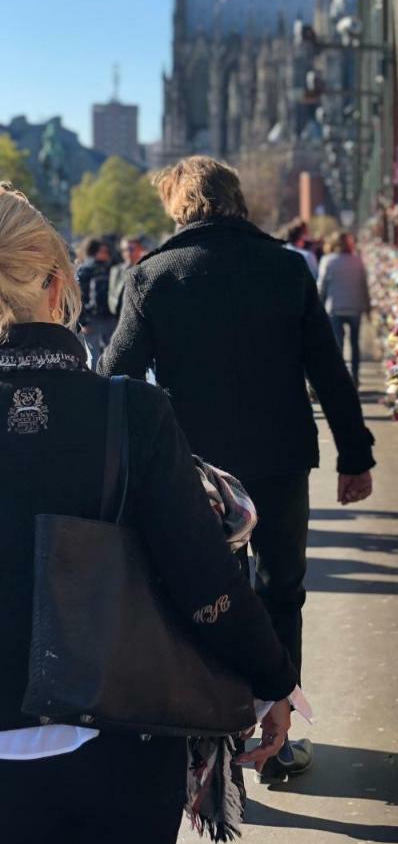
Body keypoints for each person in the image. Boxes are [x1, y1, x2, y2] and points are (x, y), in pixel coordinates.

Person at [0, 182, 297, 844]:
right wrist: (272, 680)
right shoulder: (127, 412)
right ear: (55, 283)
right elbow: (202, 577)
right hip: (114, 745)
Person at [100, 157, 376, 780]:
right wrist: (354, 456)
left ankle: (210, 738)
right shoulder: (285, 267)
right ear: (237, 200)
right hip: (279, 462)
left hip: (192, 473)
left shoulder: (153, 276)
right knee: (281, 593)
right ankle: (278, 743)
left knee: (202, 596)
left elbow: (114, 375)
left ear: (178, 207)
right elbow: (328, 370)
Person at [317, 231, 371, 386]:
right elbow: (364, 286)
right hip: (355, 307)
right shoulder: (357, 260)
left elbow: (322, 286)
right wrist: (367, 307)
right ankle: (355, 377)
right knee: (354, 344)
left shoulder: (328, 261)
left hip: (335, 308)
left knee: (338, 344)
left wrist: (318, 306)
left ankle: (340, 378)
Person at [74, 236, 115, 363]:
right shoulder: (108, 269)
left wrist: (83, 322)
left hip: (98, 319)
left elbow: (78, 297)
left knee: (98, 357)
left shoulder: (84, 269)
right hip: (102, 319)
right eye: (103, 251)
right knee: (104, 356)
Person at [108, 234, 148, 319]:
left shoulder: (148, 269)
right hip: (120, 319)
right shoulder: (116, 271)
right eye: (124, 250)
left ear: (140, 249)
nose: (127, 253)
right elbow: (112, 298)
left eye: (131, 249)